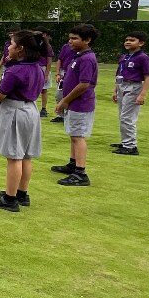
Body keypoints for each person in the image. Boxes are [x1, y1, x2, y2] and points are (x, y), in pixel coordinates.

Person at [0, 29, 47, 212]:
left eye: (11, 44)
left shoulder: (16, 71)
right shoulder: (36, 68)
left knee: (14, 156)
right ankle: (21, 193)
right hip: (30, 110)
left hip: (16, 112)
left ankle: (10, 199)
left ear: (20, 49)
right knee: (25, 155)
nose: (8, 47)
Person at [51, 23, 99, 187]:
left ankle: (80, 173)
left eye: (74, 38)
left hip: (80, 103)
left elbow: (84, 84)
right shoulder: (77, 56)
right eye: (69, 38)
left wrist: (65, 101)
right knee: (73, 134)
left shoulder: (87, 59)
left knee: (78, 136)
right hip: (73, 103)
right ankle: (73, 164)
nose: (70, 41)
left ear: (87, 40)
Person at [112, 31, 149, 156]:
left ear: (141, 43)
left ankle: (131, 146)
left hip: (133, 87)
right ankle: (125, 141)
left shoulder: (142, 58)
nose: (128, 42)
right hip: (121, 85)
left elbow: (147, 77)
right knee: (122, 116)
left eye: (132, 40)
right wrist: (115, 89)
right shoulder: (124, 56)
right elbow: (119, 74)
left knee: (127, 117)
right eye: (127, 40)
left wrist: (142, 94)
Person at [49, 35, 75, 124]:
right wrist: (57, 73)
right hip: (64, 73)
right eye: (70, 38)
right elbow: (60, 59)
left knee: (71, 94)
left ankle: (70, 115)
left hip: (73, 73)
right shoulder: (65, 47)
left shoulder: (80, 50)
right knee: (59, 94)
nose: (71, 41)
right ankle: (60, 115)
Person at [0, 28, 18, 107]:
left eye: (13, 33)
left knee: (8, 81)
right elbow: (3, 56)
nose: (11, 34)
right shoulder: (7, 44)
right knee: (2, 80)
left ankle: (1, 96)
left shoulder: (17, 44)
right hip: (6, 65)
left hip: (13, 65)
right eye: (10, 33)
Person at [34, 26, 55, 117]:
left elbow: (49, 61)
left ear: (44, 34)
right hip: (34, 68)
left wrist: (46, 74)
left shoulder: (47, 46)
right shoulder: (33, 45)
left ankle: (43, 109)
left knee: (44, 90)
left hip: (43, 68)